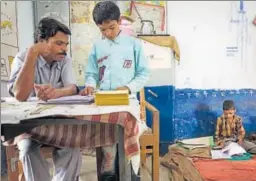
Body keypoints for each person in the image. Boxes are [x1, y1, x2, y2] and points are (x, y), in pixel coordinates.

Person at [80, 1, 150, 181]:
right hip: (104, 101)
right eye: (103, 30)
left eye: (111, 27)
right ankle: (108, 170)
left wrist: (127, 88)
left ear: (119, 21)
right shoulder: (97, 46)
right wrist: (90, 84)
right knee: (106, 137)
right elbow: (91, 73)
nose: (108, 33)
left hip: (128, 101)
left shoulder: (133, 45)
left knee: (129, 136)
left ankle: (131, 172)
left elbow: (143, 74)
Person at [7, 17, 81, 181]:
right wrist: (33, 54)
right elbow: (20, 95)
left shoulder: (64, 60)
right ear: (41, 42)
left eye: (66, 44)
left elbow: (72, 87)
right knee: (27, 150)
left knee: (73, 148)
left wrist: (57, 92)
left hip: (57, 123)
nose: (64, 49)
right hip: (28, 126)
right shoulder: (22, 58)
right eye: (58, 43)